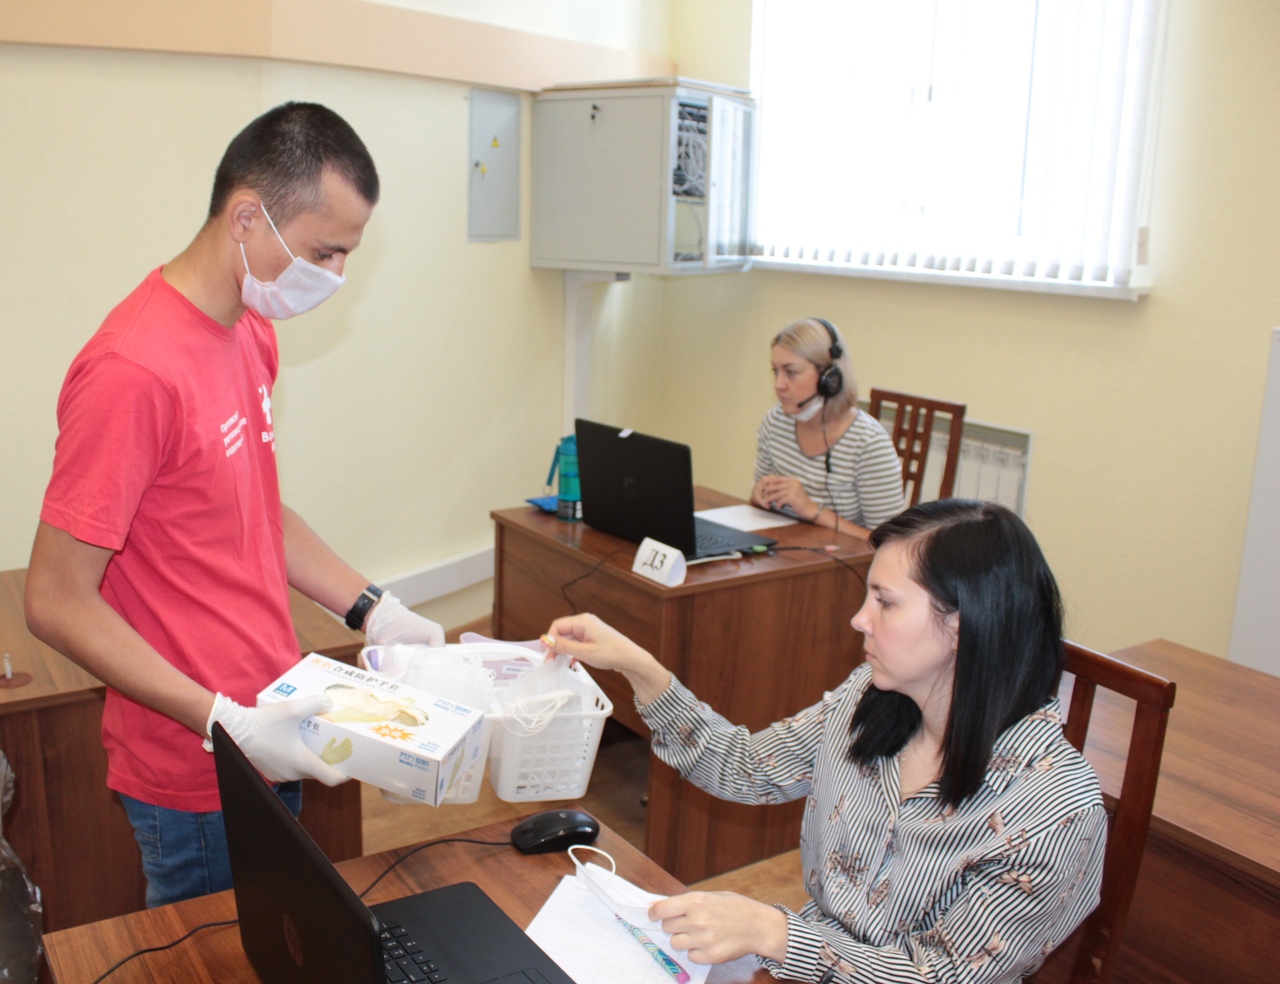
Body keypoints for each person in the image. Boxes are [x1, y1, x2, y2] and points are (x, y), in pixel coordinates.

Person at [24, 102, 445, 907]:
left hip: (272, 721)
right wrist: (223, 719)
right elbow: (54, 598)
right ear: (247, 218)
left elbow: (252, 505)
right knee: (213, 955)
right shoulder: (132, 371)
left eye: (347, 254)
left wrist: (374, 608)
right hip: (196, 760)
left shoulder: (250, 329)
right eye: (324, 252)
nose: (336, 276)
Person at [544, 499, 1106, 983]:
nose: (859, 619)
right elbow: (749, 768)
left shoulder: (1054, 812)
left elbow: (939, 976)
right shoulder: (871, 697)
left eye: (885, 602)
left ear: (961, 625)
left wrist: (777, 933)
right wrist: (638, 666)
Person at [752, 317, 905, 536]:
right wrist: (760, 494)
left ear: (829, 378)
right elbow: (757, 504)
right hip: (786, 545)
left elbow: (889, 542)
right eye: (775, 371)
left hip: (840, 556)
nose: (779, 385)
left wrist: (812, 510)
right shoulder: (775, 421)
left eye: (791, 372)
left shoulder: (868, 442)